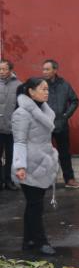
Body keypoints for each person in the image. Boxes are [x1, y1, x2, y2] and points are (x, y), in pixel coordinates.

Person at [12, 77, 59, 255]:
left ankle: (29, 240)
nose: (46, 92)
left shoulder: (44, 111)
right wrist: (20, 166)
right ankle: (41, 242)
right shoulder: (21, 113)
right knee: (35, 204)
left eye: (47, 89)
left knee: (34, 204)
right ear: (31, 92)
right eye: (42, 89)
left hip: (43, 161)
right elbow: (19, 141)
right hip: (29, 164)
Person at [42, 59, 79, 189]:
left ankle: (69, 179)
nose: (44, 72)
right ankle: (43, 181)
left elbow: (75, 100)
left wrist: (66, 116)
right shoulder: (40, 84)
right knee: (44, 154)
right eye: (43, 69)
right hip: (44, 125)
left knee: (64, 153)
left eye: (47, 69)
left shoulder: (64, 84)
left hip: (61, 125)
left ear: (55, 70)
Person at [0, 59, 21, 191]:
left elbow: (22, 106)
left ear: (11, 70)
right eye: (0, 69)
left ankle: (8, 181)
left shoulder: (19, 85)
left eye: (4, 69)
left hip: (12, 128)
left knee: (10, 156)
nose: (1, 71)